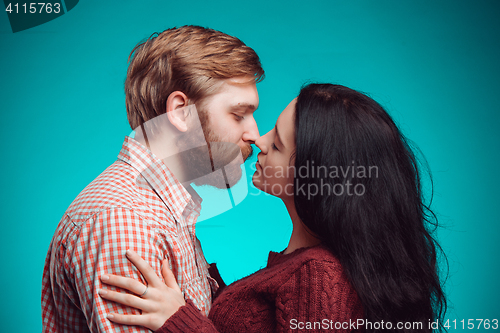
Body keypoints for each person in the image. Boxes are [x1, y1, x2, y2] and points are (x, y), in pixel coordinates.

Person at [98, 84, 447, 332]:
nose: (258, 140)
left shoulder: (317, 275)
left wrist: (179, 322)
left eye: (277, 143)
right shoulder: (307, 265)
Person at [41, 25, 264, 332]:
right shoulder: (126, 222)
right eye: (239, 114)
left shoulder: (162, 209)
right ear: (181, 112)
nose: (254, 134)